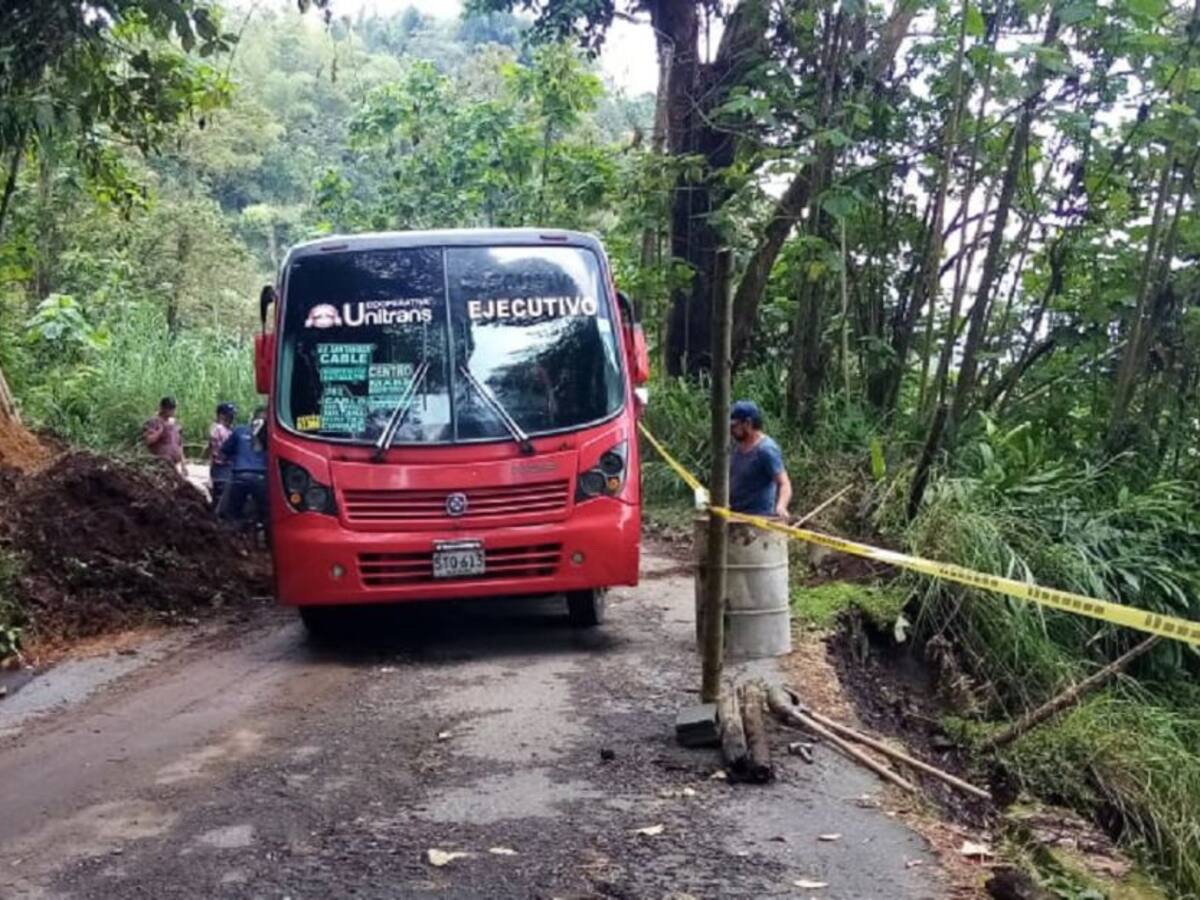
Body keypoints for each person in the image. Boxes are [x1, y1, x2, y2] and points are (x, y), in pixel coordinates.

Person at [729, 400, 792, 518]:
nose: (731, 430)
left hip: (758, 520)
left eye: (734, 426)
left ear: (748, 423)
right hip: (734, 516)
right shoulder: (736, 448)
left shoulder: (766, 450)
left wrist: (781, 507)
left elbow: (784, 483)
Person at [219, 407, 268, 534]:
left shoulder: (239, 430)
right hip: (261, 477)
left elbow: (224, 451)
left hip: (240, 475)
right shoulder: (269, 434)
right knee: (266, 514)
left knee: (233, 514)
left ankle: (234, 541)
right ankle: (263, 537)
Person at [144, 396, 185, 476]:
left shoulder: (175, 424)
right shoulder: (154, 422)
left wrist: (183, 464)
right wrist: (160, 431)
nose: (173, 411)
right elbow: (148, 441)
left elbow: (179, 444)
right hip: (160, 464)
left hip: (174, 464)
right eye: (170, 408)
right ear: (163, 408)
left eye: (173, 408)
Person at [207, 402, 236, 510]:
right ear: (221, 415)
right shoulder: (218, 429)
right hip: (221, 466)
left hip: (228, 467)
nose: (232, 418)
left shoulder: (229, 429)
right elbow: (219, 449)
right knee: (221, 496)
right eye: (229, 415)